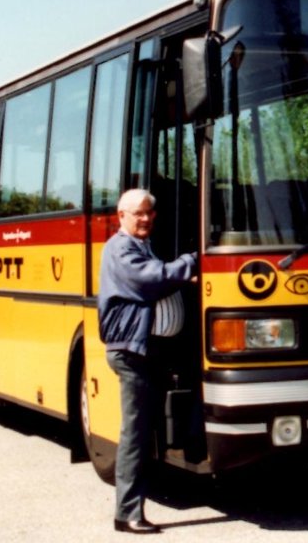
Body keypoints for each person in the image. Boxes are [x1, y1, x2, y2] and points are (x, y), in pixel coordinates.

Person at [97, 188, 198, 535]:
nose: (144, 219)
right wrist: (192, 261)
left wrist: (178, 274)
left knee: (148, 429)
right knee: (136, 432)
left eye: (149, 213)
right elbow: (151, 280)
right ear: (121, 216)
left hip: (152, 350)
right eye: (137, 213)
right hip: (133, 353)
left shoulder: (144, 247)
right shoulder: (120, 248)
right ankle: (127, 514)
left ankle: (142, 500)